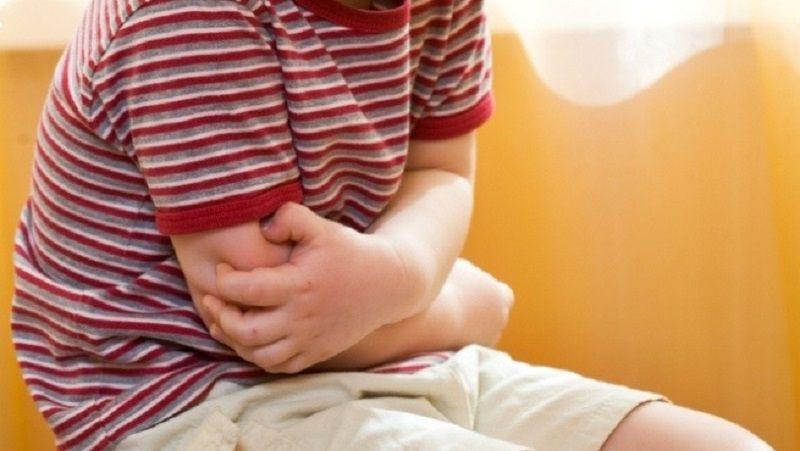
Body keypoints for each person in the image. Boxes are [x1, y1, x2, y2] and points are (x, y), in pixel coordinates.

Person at [9, 0, 773, 449]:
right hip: (196, 401)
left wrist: (405, 274)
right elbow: (266, 319)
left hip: (388, 352)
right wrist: (456, 304)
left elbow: (442, 170)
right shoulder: (191, 19)